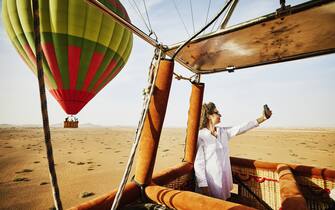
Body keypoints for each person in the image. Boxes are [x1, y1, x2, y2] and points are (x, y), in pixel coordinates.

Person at [194, 102, 272, 200]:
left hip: (224, 181)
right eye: (217, 112)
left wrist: (263, 118)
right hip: (210, 183)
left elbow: (241, 128)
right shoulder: (201, 136)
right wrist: (204, 187)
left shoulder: (223, 132)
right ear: (209, 116)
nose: (220, 115)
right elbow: (199, 164)